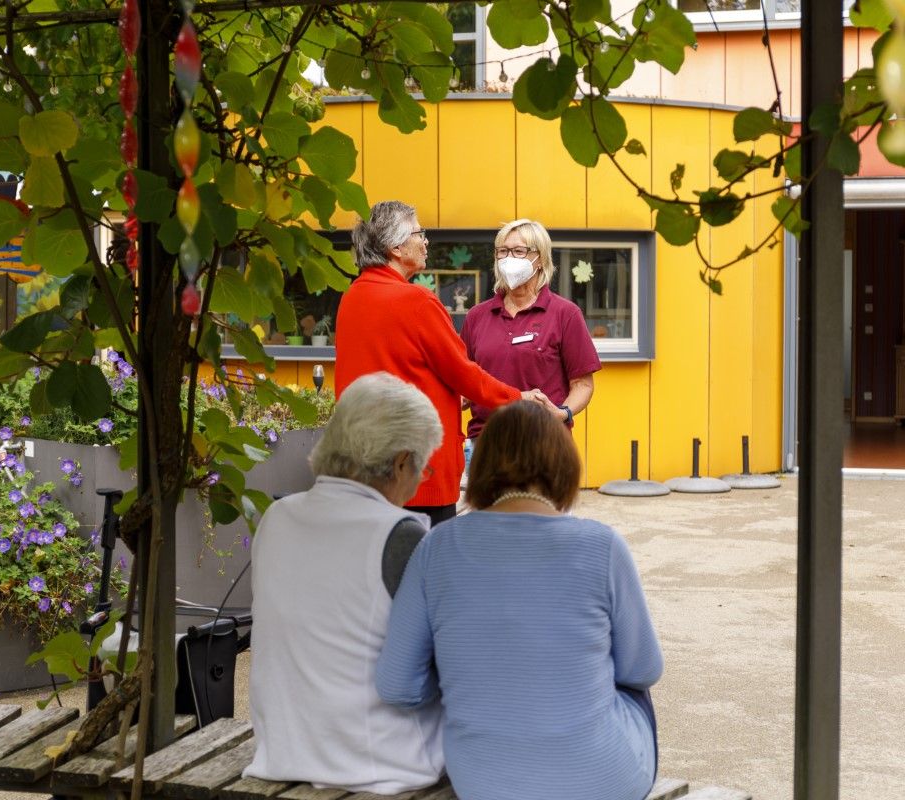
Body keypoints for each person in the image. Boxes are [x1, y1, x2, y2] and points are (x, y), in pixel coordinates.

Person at [376, 401, 663, 800]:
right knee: (628, 685)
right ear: (564, 464)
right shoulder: (602, 546)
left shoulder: (437, 547)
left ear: (483, 463)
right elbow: (643, 670)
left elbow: (397, 686)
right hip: (603, 782)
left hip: (483, 783)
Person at [243, 372, 445, 795]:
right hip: (382, 764)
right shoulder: (400, 536)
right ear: (401, 462)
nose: (417, 482)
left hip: (281, 752)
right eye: (422, 469)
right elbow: (441, 668)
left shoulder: (277, 518)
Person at [336, 200, 542, 527]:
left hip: (366, 470)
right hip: (417, 476)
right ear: (395, 247)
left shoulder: (352, 298)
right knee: (428, 572)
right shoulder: (417, 301)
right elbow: (463, 373)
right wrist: (518, 397)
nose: (426, 241)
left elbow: (392, 369)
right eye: (420, 233)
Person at [460, 218, 601, 440]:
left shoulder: (565, 313)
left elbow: (582, 384)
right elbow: (465, 384)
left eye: (518, 251)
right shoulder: (477, 316)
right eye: (502, 251)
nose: (508, 258)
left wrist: (562, 413)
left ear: (540, 258)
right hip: (486, 443)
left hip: (543, 440)